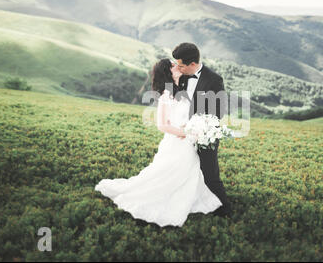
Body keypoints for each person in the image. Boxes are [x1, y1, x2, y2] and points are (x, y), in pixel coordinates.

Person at [94, 59, 222, 227]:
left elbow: (180, 116)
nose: (178, 66)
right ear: (168, 72)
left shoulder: (179, 90)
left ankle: (184, 197)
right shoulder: (166, 95)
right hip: (176, 143)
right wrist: (187, 132)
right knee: (168, 175)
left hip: (186, 141)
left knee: (187, 172)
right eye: (174, 65)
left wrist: (191, 126)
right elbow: (162, 125)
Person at [173, 42, 232, 217]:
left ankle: (225, 211)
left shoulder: (214, 80)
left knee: (210, 175)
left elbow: (218, 112)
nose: (177, 68)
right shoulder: (181, 76)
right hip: (182, 135)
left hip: (206, 134)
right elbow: (175, 101)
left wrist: (195, 127)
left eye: (181, 65)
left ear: (192, 64)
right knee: (184, 171)